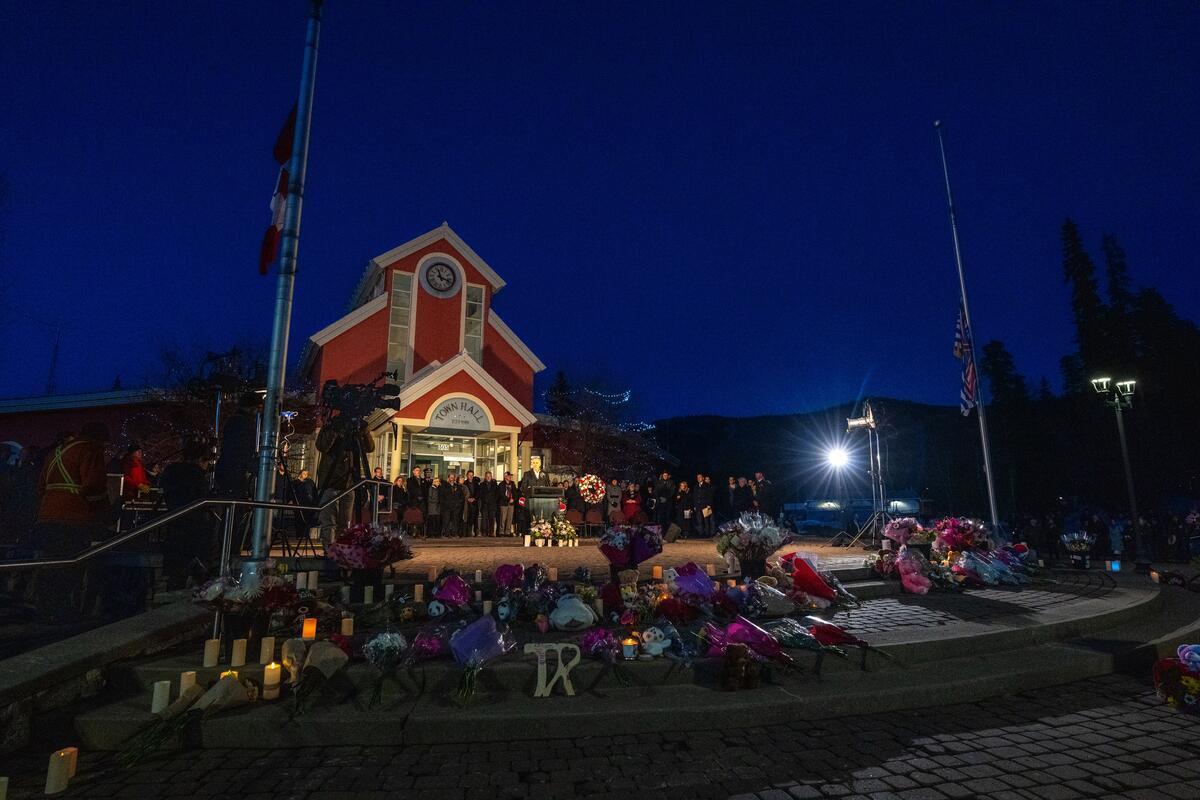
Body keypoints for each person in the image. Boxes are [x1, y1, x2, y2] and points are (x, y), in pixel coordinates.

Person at [33, 422, 110, 622]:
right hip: (74, 517)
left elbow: (41, 487)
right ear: (98, 438)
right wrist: (105, 512)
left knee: (50, 563)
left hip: (47, 516)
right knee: (70, 565)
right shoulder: (90, 450)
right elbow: (94, 485)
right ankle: (64, 611)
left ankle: (44, 607)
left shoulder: (56, 453)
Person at [158, 439, 212, 587]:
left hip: (174, 524)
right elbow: (202, 497)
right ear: (201, 459)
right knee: (196, 570)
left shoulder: (171, 471)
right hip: (194, 528)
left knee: (175, 572)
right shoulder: (197, 475)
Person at [315, 416, 374, 544]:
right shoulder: (332, 424)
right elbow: (322, 446)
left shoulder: (357, 427)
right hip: (330, 482)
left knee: (345, 524)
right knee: (329, 522)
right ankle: (329, 553)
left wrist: (364, 430)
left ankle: (342, 552)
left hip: (348, 483)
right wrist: (335, 428)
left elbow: (370, 448)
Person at [694, 473, 715, 537]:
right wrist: (694, 505)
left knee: (706, 520)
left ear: (703, 478)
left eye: (700, 477)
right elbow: (694, 496)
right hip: (698, 506)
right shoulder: (696, 486)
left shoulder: (707, 485)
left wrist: (709, 504)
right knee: (699, 520)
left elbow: (709, 496)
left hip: (705, 505)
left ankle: (707, 533)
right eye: (697, 477)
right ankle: (701, 533)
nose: (698, 478)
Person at [478, 470, 498, 537]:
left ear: (491, 477)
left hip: (492, 505)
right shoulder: (482, 485)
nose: (488, 477)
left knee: (491, 519)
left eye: (489, 476)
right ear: (485, 477)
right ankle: (484, 532)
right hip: (485, 504)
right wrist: (485, 500)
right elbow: (480, 494)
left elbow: (497, 495)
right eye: (487, 476)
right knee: (484, 519)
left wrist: (494, 501)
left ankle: (491, 532)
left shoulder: (495, 485)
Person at [497, 471, 517, 536]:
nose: (510, 477)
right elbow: (501, 494)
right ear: (505, 476)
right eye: (509, 476)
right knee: (503, 518)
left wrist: (513, 499)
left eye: (510, 476)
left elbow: (515, 493)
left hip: (511, 504)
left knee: (510, 518)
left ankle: (507, 532)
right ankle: (501, 531)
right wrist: (508, 499)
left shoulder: (512, 484)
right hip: (504, 503)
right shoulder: (501, 484)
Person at [462, 470, 479, 536]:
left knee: (475, 518)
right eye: (469, 475)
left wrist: (474, 498)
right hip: (467, 503)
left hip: (475, 503)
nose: (471, 476)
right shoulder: (465, 483)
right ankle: (468, 532)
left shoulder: (476, 483)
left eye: (472, 475)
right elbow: (463, 493)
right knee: (468, 518)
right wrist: (468, 498)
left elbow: (478, 492)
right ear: (467, 475)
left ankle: (476, 532)